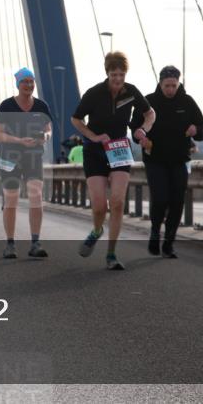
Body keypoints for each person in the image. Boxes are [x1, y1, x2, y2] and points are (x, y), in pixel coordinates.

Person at [70, 51, 155, 270]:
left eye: (121, 74)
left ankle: (111, 254)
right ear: (107, 73)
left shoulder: (131, 91)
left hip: (119, 150)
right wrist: (93, 136)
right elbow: (76, 118)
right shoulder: (95, 93)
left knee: (117, 202)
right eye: (114, 74)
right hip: (95, 152)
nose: (118, 79)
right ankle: (97, 230)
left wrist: (143, 131)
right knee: (99, 206)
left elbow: (150, 114)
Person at [141, 66, 203, 258]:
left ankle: (169, 243)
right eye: (167, 85)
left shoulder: (187, 101)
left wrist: (196, 129)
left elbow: (202, 128)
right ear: (160, 83)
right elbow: (136, 126)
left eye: (174, 85)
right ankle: (155, 232)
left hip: (179, 159)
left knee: (177, 201)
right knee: (160, 199)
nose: (170, 89)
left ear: (178, 83)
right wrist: (140, 138)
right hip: (155, 159)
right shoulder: (149, 101)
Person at [0, 67, 53, 259]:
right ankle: (10, 244)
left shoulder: (41, 106)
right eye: (24, 82)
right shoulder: (6, 106)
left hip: (34, 156)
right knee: (12, 198)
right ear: (18, 84)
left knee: (36, 195)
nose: (28, 85)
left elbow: (49, 130)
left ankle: (36, 242)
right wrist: (19, 141)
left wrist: (45, 136)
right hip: (9, 157)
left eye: (31, 81)